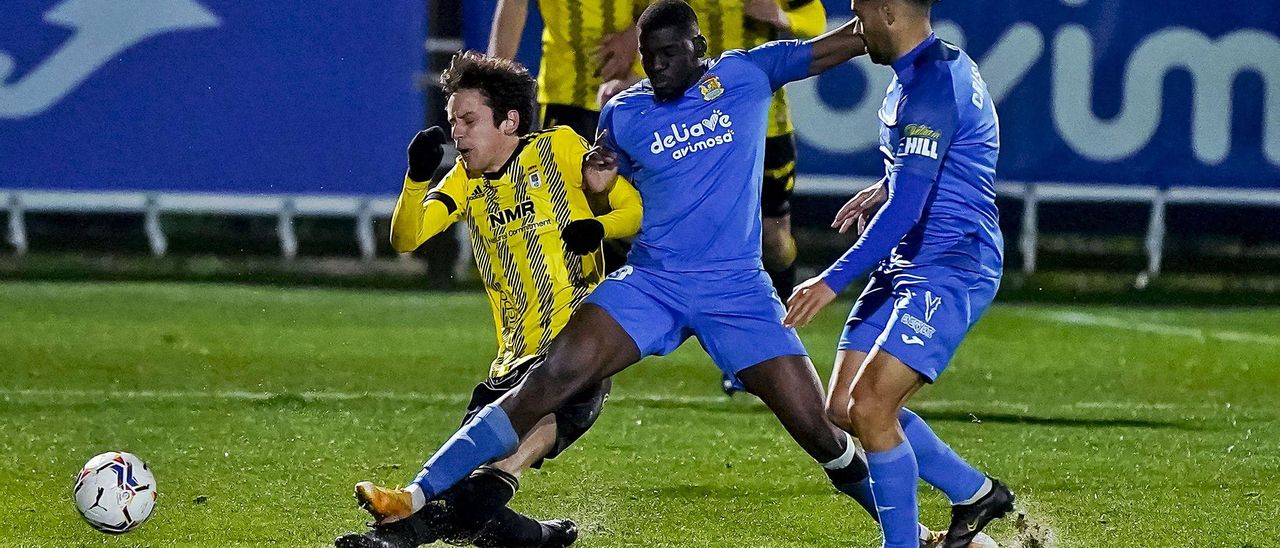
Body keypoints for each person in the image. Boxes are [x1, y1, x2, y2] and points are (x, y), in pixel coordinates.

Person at [352, 3, 994, 546]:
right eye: (646, 56)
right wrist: (601, 194)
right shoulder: (624, 114)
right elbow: (615, 202)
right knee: (543, 383)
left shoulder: (746, 74)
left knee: (823, 431)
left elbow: (841, 45)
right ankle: (414, 495)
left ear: (699, 48)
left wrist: (890, 32)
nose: (654, 66)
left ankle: (924, 531)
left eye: (667, 54)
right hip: (652, 284)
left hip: (737, 293)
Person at [336, 50, 642, 548]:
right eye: (453, 119)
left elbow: (632, 208)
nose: (456, 131)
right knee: (473, 508)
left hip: (573, 355)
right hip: (508, 365)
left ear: (510, 120)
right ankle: (541, 538)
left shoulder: (561, 149)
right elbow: (406, 239)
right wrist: (416, 180)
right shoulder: (464, 181)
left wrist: (598, 227)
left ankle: (394, 540)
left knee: (471, 491)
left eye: (468, 119)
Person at [782, 0, 1015, 547]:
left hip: (952, 263)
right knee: (843, 408)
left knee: (871, 405)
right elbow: (935, 169)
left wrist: (830, 281)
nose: (853, 26)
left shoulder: (930, 86)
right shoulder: (924, 68)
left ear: (889, 12)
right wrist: (886, 185)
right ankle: (977, 495)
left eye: (860, 13)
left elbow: (911, 207)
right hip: (909, 259)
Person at [489, 0, 645, 274]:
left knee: (635, 226)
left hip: (632, 91)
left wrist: (635, 35)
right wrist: (494, 85)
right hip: (565, 98)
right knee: (563, 228)